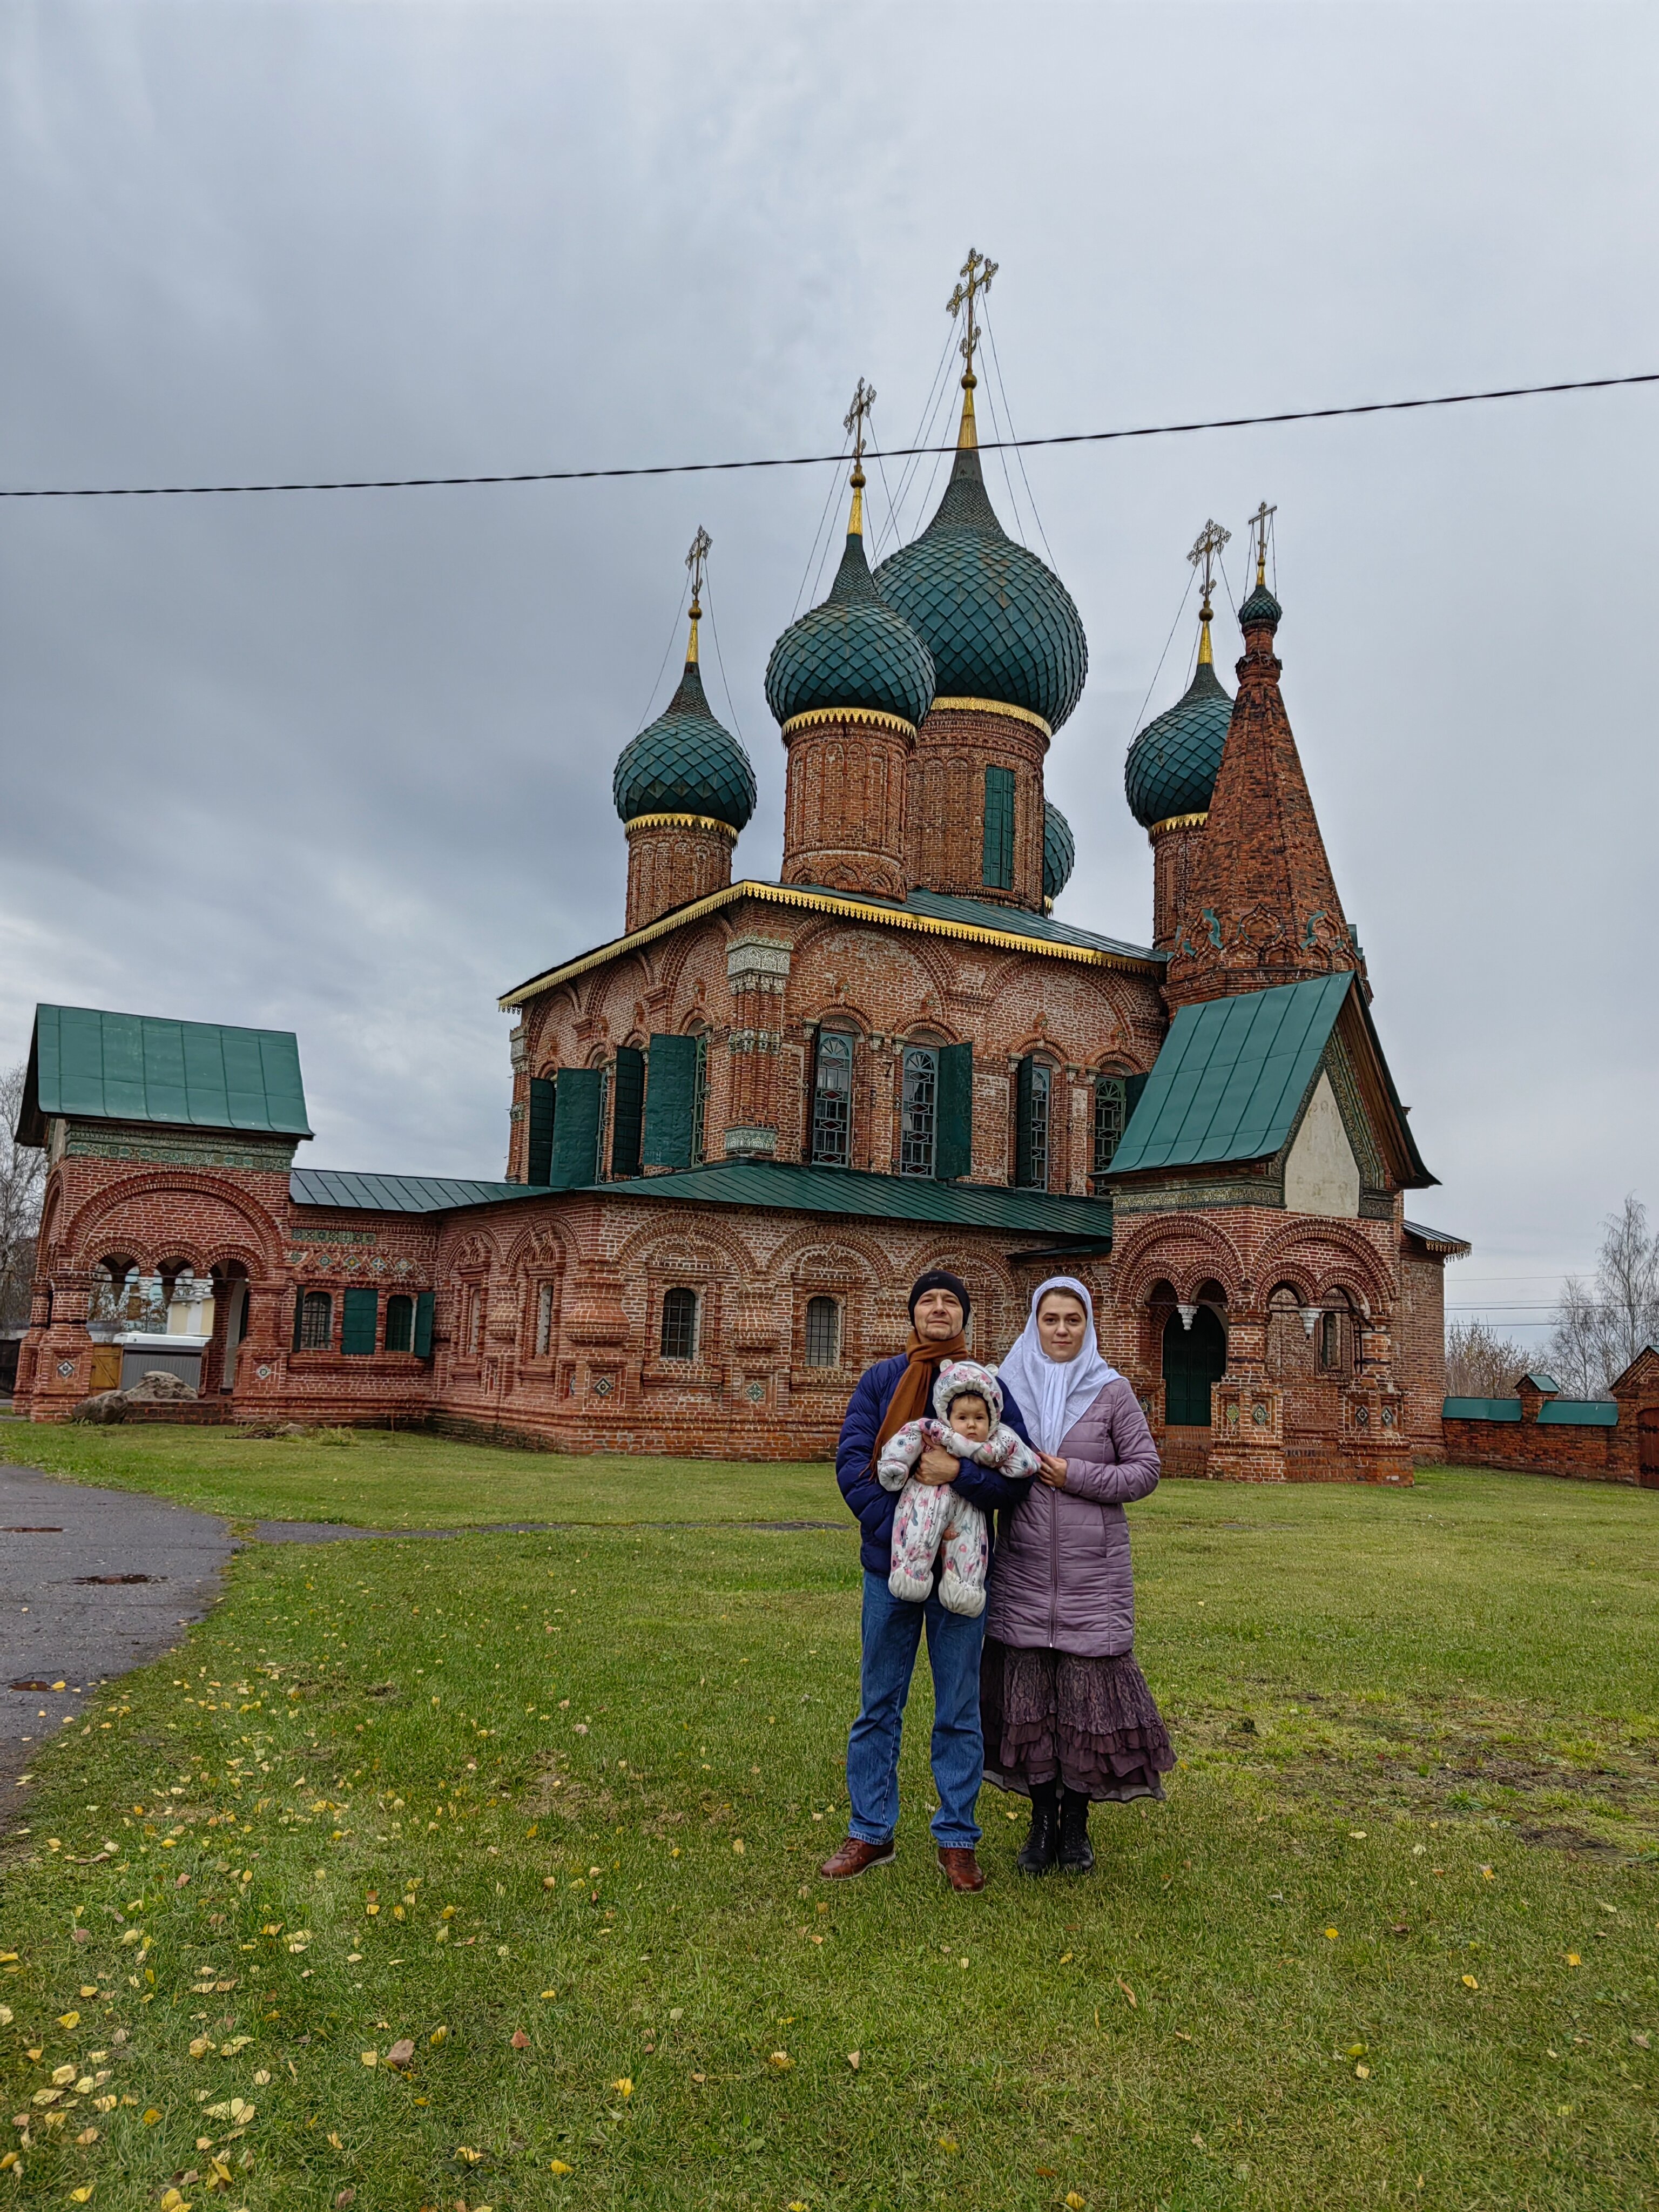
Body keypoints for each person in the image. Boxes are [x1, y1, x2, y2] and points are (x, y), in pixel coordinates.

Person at [822, 1271, 1036, 1893]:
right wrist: (908, 1533)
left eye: (950, 1301)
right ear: (912, 1314)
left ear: (963, 1316)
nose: (939, 1308)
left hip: (963, 1573)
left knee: (960, 1708)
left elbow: (1015, 1476)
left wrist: (955, 1478)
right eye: (928, 1300)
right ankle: (870, 1829)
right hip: (889, 1570)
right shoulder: (882, 1380)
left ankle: (957, 1839)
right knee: (879, 1702)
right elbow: (853, 1463)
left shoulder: (988, 1387)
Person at [984, 1276, 1174, 1877]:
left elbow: (1145, 1471)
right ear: (1033, 1323)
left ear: (1088, 1325)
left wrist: (1077, 1476)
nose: (1062, 1329)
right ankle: (1041, 1824)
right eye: (1051, 1319)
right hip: (1023, 1569)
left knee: (1087, 1708)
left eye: (1073, 1320)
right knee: (1033, 1705)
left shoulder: (1111, 1391)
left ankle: (1077, 1828)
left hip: (1095, 1577)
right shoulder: (1006, 1388)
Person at [878, 1359, 1042, 1615]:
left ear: (992, 1418)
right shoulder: (936, 1432)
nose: (972, 1425)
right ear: (948, 1416)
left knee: (970, 1546)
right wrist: (895, 1467)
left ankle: (964, 1588)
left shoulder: (997, 1442)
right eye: (962, 1418)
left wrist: (960, 1471)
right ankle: (910, 1573)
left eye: (979, 1418)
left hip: (970, 1510)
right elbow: (906, 1440)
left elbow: (1024, 1463)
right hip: (927, 1504)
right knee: (919, 1535)